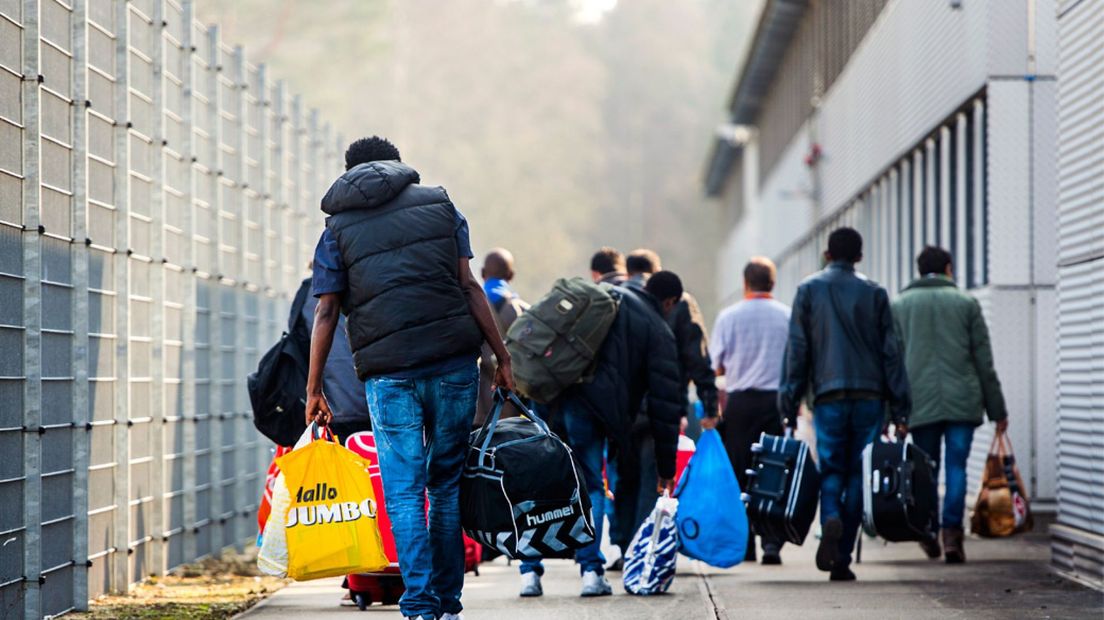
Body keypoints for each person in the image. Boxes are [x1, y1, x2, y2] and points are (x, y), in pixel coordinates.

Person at [305, 136, 514, 620]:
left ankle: (418, 605)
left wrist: (314, 390)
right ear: (396, 168)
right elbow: (468, 286)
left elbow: (327, 311)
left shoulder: (337, 229)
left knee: (403, 490)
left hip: (388, 373)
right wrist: (500, 357)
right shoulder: (441, 205)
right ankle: (448, 602)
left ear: (351, 173)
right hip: (453, 363)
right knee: (443, 485)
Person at [518, 271, 683, 599]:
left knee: (541, 483)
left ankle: (529, 575)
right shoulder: (656, 327)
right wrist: (667, 468)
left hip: (547, 392)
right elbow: (665, 405)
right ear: (669, 301)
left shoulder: (604, 295)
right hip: (588, 408)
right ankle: (591, 572)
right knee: (591, 483)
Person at [778, 227, 910, 582]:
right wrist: (900, 408)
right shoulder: (875, 293)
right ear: (859, 257)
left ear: (826, 254)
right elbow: (891, 354)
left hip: (828, 396)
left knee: (832, 469)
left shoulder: (808, 290)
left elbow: (798, 350)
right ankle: (842, 558)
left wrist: (788, 400)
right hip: (870, 398)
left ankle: (830, 517)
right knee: (858, 472)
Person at [892, 246, 1008, 564]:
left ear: (919, 271)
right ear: (949, 268)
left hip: (920, 402)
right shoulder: (966, 303)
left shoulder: (900, 305)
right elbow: (983, 360)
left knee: (927, 471)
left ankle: (928, 530)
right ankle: (953, 534)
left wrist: (896, 411)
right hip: (962, 400)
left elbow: (894, 362)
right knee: (957, 467)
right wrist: (997, 409)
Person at [617, 251, 719, 556]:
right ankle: (641, 549)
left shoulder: (620, 301)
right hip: (661, 407)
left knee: (624, 478)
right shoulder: (679, 302)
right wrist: (710, 404)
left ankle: (623, 547)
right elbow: (698, 358)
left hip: (621, 410)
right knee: (653, 479)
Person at [709, 257, 790, 565]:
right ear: (773, 283)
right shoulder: (787, 316)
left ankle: (745, 543)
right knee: (772, 470)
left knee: (740, 472)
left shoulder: (729, 317)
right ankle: (771, 541)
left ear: (745, 283)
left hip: (740, 403)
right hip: (775, 402)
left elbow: (715, 365)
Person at [475, 248, 528, 425]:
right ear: (511, 275)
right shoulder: (522, 310)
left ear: (482, 273)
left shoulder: (470, 306)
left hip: (477, 404)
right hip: (510, 403)